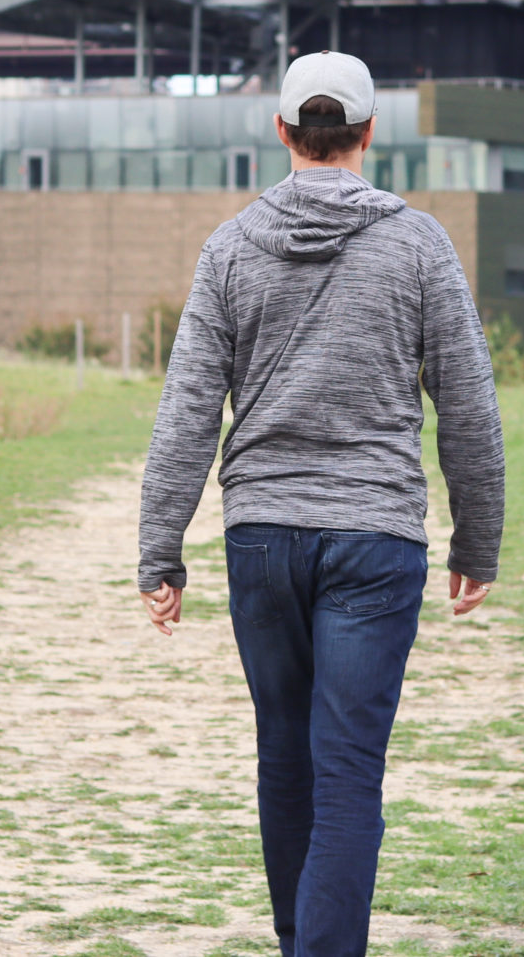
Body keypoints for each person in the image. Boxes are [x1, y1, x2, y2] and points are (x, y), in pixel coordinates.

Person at [137, 50, 504, 957]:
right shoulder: (418, 244)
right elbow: (467, 401)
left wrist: (161, 548)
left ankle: (305, 942)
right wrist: (478, 539)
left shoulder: (228, 248)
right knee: (347, 772)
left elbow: (187, 408)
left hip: (262, 538)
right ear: (370, 134)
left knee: (285, 757)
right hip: (375, 538)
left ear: (283, 133)